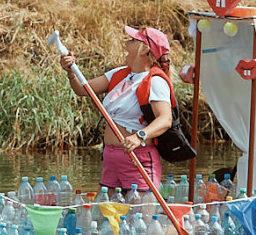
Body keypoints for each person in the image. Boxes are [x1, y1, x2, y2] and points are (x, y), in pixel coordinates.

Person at [56, 25, 176, 190]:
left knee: (140, 214)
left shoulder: (156, 81)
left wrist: (138, 136)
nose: (127, 42)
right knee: (108, 213)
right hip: (111, 157)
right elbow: (82, 89)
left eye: (133, 39)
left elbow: (165, 119)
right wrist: (71, 72)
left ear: (144, 49)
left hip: (138, 157)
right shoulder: (120, 74)